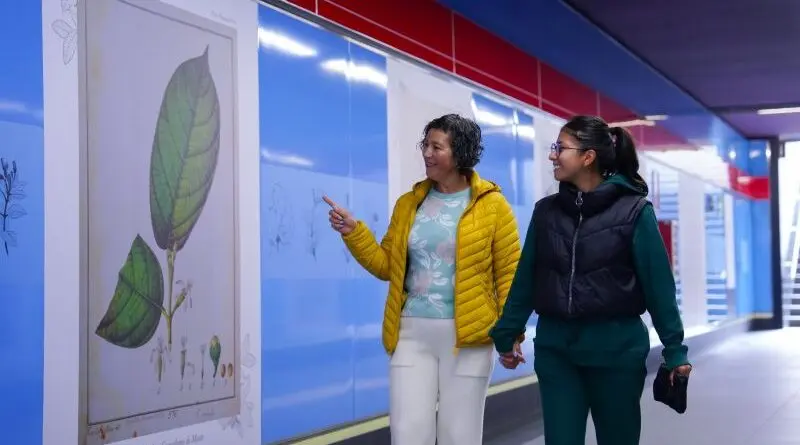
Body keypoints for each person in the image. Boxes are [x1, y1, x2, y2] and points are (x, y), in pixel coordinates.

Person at [490, 115, 692, 445]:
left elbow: (659, 288)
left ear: (588, 157)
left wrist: (675, 349)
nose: (552, 155)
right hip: (558, 353)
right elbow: (527, 278)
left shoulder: (634, 212)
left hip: (617, 353)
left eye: (560, 148)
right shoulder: (546, 212)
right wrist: (507, 331)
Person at [324, 114, 521, 445]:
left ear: (460, 153)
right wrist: (354, 232)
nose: (427, 153)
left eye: (436, 147)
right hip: (411, 334)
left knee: (459, 436)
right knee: (407, 434)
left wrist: (511, 335)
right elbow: (387, 266)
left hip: (468, 339)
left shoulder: (493, 206)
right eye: (425, 145)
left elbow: (509, 275)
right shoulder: (409, 204)